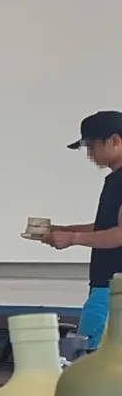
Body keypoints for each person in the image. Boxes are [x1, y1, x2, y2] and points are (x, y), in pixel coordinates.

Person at [44, 111, 122, 348]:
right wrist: (62, 230)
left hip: (113, 289)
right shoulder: (115, 179)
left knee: (92, 358)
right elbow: (105, 227)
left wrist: (73, 238)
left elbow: (120, 233)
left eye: (92, 145)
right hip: (106, 286)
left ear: (115, 141)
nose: (89, 154)